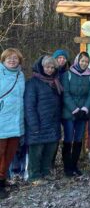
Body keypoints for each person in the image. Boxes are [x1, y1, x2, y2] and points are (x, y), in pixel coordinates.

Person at [24, 56, 62, 184]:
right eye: (47, 67)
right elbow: (29, 106)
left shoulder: (55, 82)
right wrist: (33, 125)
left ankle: (46, 172)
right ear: (41, 67)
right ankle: (34, 176)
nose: (50, 70)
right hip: (38, 123)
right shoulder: (32, 83)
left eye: (52, 67)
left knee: (49, 149)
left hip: (52, 123)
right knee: (36, 151)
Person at [61, 51, 90, 177]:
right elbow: (65, 93)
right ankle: (67, 166)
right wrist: (75, 109)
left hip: (83, 113)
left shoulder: (89, 76)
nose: (84, 63)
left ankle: (75, 165)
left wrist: (85, 108)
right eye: (82, 61)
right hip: (70, 112)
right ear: (77, 60)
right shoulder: (67, 74)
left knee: (78, 139)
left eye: (86, 61)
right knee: (68, 138)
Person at [0, 48, 25, 199]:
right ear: (3, 60)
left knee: (9, 155)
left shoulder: (20, 75)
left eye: (15, 58)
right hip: (2, 121)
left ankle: (3, 180)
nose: (12, 60)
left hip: (16, 122)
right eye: (9, 58)